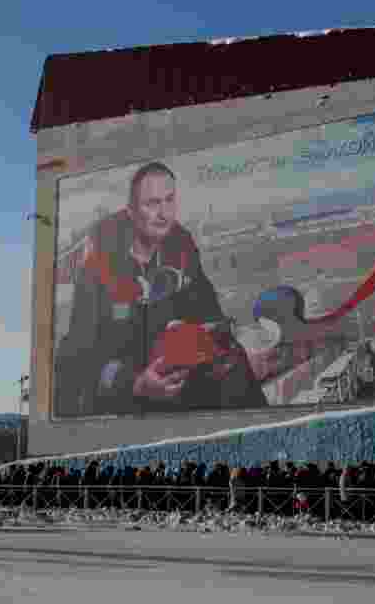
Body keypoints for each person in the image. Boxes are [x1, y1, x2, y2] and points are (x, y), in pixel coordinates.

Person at [54, 161, 268, 416]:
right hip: (126, 387)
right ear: (132, 211)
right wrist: (135, 384)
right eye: (152, 203)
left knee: (233, 362)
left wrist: (214, 337)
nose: (164, 213)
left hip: (174, 371)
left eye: (169, 200)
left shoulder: (181, 247)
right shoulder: (99, 266)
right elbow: (77, 358)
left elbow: (209, 313)